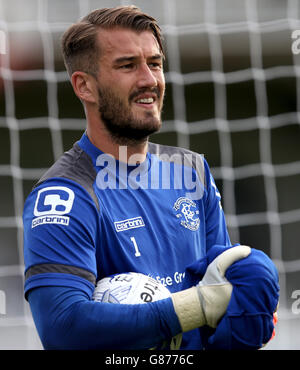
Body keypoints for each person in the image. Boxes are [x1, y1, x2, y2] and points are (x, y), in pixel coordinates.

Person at [23, 6, 276, 350]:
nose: (149, 80)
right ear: (84, 86)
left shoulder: (191, 171)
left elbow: (220, 299)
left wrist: (243, 311)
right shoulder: (64, 195)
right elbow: (63, 327)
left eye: (155, 64)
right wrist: (194, 307)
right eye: (127, 65)